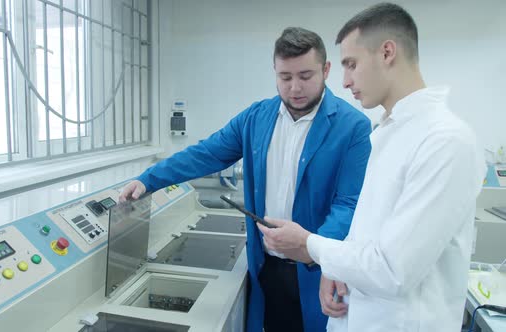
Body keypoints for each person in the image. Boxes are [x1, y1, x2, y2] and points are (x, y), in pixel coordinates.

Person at [119, 27, 372, 332]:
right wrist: (149, 180)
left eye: (305, 76)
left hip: (318, 271)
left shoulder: (353, 126)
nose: (295, 88)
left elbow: (348, 204)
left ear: (326, 70)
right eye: (285, 77)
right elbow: (205, 154)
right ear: (275, 72)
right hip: (266, 267)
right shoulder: (256, 118)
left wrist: (312, 247)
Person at [258, 3, 486, 332]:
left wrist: (310, 245)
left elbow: (394, 269)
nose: (345, 81)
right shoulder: (384, 134)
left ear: (387, 52)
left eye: (352, 64)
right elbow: (367, 232)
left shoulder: (446, 141)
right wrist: (335, 270)